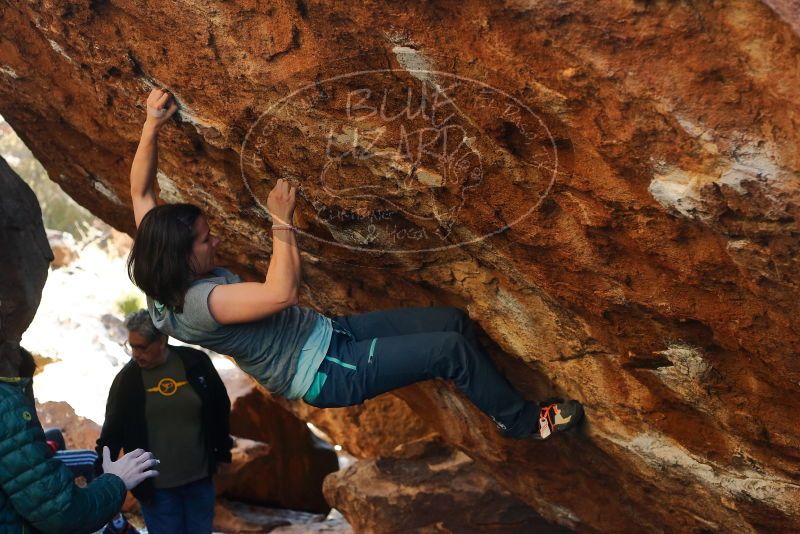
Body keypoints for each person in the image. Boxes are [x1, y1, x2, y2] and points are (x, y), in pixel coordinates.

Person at [126, 88, 584, 441]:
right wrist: (280, 222)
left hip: (329, 334)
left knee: (453, 324)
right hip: (324, 370)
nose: (216, 240)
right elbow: (281, 292)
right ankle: (523, 423)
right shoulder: (201, 303)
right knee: (450, 350)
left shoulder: (157, 263)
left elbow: (141, 193)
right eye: (207, 241)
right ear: (183, 257)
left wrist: (152, 124)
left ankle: (495, 403)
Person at [96, 310, 232, 534]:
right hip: (157, 489)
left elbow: (219, 408)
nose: (135, 354)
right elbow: (112, 431)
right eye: (131, 346)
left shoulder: (195, 362)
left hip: (200, 481)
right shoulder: (128, 380)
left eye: (141, 347)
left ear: (162, 340)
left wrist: (223, 452)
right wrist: (102, 478)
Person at [0, 346, 158, 533]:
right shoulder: (7, 404)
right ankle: (116, 523)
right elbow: (63, 514)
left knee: (60, 439)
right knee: (90, 459)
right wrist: (117, 482)